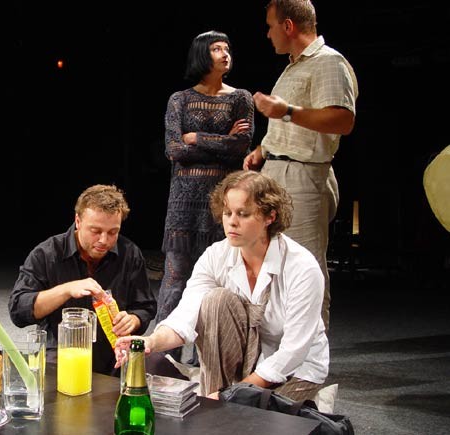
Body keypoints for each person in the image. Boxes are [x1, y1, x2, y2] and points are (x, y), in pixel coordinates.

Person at [115, 170, 329, 402]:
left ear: (270, 217)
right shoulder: (216, 255)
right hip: (242, 363)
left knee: (257, 417)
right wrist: (150, 342)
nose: (232, 222)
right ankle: (215, 399)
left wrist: (235, 394)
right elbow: (187, 314)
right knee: (215, 300)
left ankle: (223, 402)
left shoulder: (301, 267)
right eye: (227, 213)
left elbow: (293, 351)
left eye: (243, 214)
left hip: (293, 370)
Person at [243, 0, 359, 331]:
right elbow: (292, 125)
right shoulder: (294, 66)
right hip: (278, 174)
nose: (268, 34)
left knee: (305, 270)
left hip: (304, 177)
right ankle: (282, 352)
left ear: (288, 26)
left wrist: (287, 111)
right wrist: (263, 149)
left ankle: (310, 359)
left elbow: (343, 119)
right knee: (275, 268)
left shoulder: (329, 62)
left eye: (271, 26)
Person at [157, 30, 255, 363]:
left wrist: (195, 137)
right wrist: (220, 140)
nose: (225, 53)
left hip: (223, 206)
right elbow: (174, 150)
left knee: (217, 285)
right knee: (174, 283)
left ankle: (206, 362)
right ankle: (164, 359)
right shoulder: (179, 100)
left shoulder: (241, 98)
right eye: (216, 48)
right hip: (183, 206)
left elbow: (241, 147)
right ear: (202, 54)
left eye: (227, 48)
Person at [8, 184, 156, 376]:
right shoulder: (47, 254)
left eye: (113, 232)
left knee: (156, 369)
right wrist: (66, 290)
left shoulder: (130, 253)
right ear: (78, 221)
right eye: (95, 231)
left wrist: (133, 320)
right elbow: (18, 310)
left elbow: (145, 306)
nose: (104, 240)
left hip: (115, 356)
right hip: (61, 356)